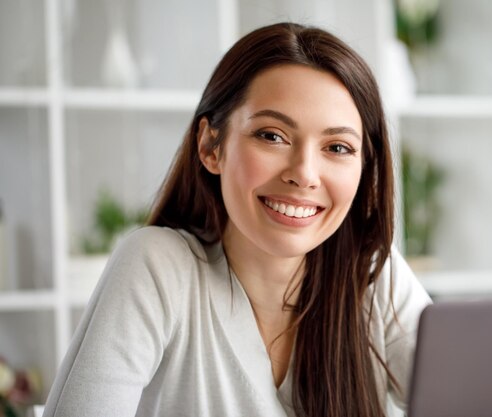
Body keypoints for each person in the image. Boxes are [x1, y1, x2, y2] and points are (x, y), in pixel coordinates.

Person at [43, 22, 431, 417]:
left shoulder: (373, 278)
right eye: (272, 136)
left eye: (337, 146)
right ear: (211, 146)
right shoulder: (158, 268)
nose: (305, 174)